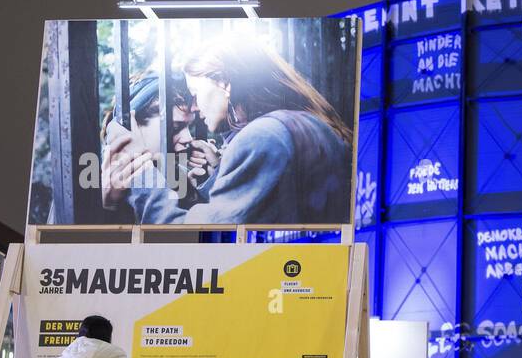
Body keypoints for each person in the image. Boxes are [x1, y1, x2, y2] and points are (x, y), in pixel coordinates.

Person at [121, 35, 352, 225]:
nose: (194, 105)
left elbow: (194, 239)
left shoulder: (262, 138)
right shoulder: (301, 124)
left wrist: (140, 174)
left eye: (195, 94)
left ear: (223, 82)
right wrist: (218, 173)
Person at [100, 71, 218, 210]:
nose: (188, 138)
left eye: (188, 127)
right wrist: (109, 208)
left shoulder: (179, 179)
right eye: (174, 128)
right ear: (133, 125)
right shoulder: (88, 183)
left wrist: (197, 194)